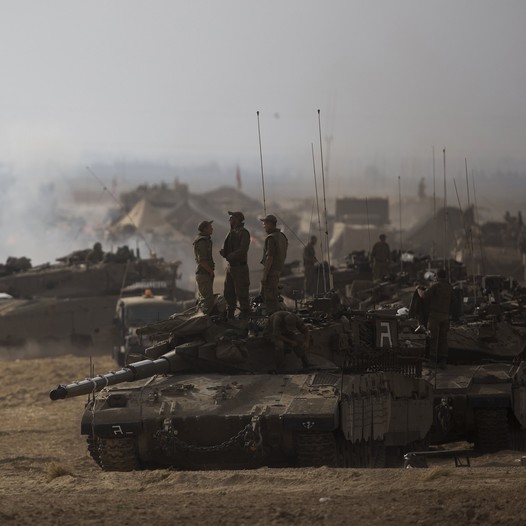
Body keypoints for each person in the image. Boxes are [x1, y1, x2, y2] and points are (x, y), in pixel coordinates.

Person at [417, 268, 453, 368]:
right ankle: (443, 362)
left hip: (435, 316)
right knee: (443, 339)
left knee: (433, 338)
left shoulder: (435, 286)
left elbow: (423, 296)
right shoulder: (449, 287)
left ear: (437, 276)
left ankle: (432, 361)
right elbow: (453, 301)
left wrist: (418, 289)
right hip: (445, 316)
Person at [219, 211, 251, 319]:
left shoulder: (244, 233)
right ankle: (230, 312)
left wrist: (230, 256)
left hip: (240, 267)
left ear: (237, 219)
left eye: (231, 218)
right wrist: (224, 252)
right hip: (231, 267)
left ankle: (244, 313)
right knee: (229, 291)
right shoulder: (231, 232)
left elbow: (243, 250)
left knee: (242, 292)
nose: (230, 220)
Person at [259, 214, 288, 314]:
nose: (264, 226)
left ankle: (273, 318)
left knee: (269, 299)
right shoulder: (282, 236)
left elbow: (269, 258)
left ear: (271, 224)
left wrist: (264, 276)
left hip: (271, 272)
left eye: (265, 224)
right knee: (273, 296)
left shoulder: (271, 238)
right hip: (278, 270)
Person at [193, 220, 215, 314]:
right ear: (205, 229)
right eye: (210, 227)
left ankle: (202, 315)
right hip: (203, 273)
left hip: (205, 273)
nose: (212, 229)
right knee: (208, 300)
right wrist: (210, 271)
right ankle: (203, 317)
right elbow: (202, 261)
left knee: (205, 299)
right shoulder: (202, 241)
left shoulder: (206, 240)